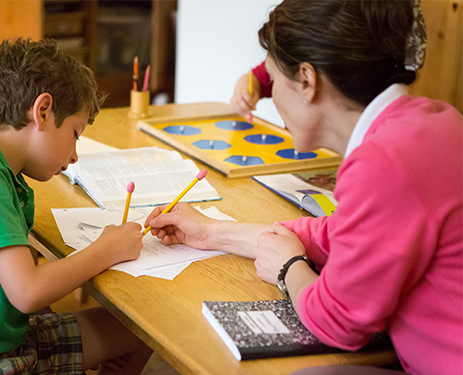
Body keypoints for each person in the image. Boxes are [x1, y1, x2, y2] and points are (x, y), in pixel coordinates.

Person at [144, 1, 463, 374]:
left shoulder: (382, 163)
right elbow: (338, 236)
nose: (272, 94)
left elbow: (338, 324)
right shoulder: (439, 120)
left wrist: (288, 268)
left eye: (274, 79)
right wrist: (210, 233)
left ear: (307, 81)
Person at [0, 38, 152, 375]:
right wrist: (106, 249)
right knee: (142, 330)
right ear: (43, 112)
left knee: (133, 328)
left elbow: (21, 293)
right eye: (76, 133)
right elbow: (27, 292)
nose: (75, 154)